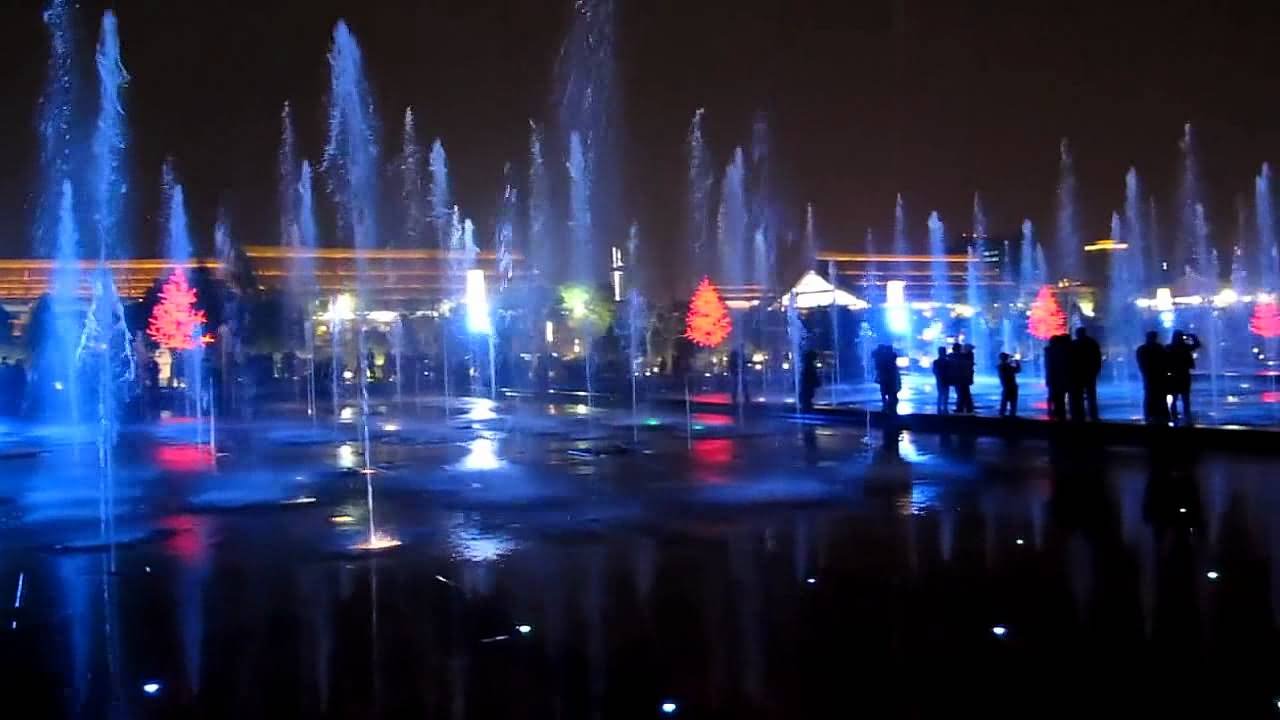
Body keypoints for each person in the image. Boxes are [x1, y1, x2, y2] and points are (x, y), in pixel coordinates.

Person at [1166, 329, 1201, 424]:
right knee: (1185, 398)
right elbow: (1197, 344)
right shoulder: (1185, 347)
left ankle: (1174, 416)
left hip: (1173, 375)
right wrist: (1191, 336)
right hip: (1184, 375)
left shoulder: (1169, 347)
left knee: (1174, 397)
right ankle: (1186, 416)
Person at [1136, 331, 1170, 424]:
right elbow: (1165, 362)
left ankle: (1149, 416)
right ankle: (1162, 416)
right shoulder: (1159, 348)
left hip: (1150, 377)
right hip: (1158, 377)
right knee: (1160, 397)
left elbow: (1141, 363)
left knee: (1150, 396)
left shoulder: (1142, 349)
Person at [1069, 327, 1103, 421]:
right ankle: (1093, 415)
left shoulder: (1074, 344)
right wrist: (1096, 370)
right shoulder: (1092, 343)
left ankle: (1079, 416)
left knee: (1079, 396)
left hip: (1079, 374)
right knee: (1091, 395)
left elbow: (1070, 360)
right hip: (1089, 373)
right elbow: (1097, 358)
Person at [1044, 334, 1071, 421]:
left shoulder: (1049, 351)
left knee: (1054, 396)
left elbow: (1048, 366)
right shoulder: (1058, 351)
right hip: (1058, 378)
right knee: (1058, 397)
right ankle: (1058, 413)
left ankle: (1053, 412)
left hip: (1054, 378)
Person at [872, 344, 901, 414]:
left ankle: (887, 404)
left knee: (886, 390)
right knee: (889, 390)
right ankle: (889, 404)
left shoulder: (884, 357)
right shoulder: (888, 356)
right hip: (888, 376)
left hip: (886, 376)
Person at [997, 352, 1021, 417]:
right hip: (1010, 386)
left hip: (1006, 386)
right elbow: (1018, 370)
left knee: (1005, 402)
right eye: (1007, 357)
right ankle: (1011, 415)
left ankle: (1002, 415)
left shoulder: (1001, 366)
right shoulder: (1004, 366)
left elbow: (1016, 370)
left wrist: (1014, 362)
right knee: (1012, 402)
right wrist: (1017, 361)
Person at [932, 346, 950, 414]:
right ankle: (945, 407)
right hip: (946, 379)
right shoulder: (947, 361)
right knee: (946, 394)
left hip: (939, 379)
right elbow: (950, 371)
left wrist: (937, 376)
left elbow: (934, 371)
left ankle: (939, 407)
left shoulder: (936, 362)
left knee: (940, 394)